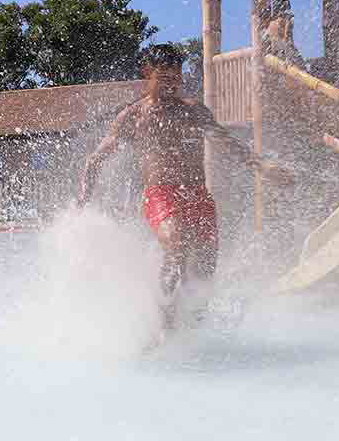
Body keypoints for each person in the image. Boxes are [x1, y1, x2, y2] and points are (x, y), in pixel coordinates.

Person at [79, 44, 287, 326]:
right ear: (147, 74)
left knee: (204, 269)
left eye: (175, 78)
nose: (170, 85)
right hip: (160, 196)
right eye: (163, 78)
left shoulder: (193, 110)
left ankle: (194, 333)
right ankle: (162, 326)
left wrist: (262, 167)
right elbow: (96, 158)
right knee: (176, 247)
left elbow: (227, 142)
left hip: (198, 197)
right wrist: (83, 201)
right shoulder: (134, 116)